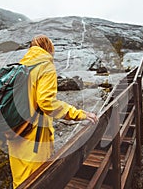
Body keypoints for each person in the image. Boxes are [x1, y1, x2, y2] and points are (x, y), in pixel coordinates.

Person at [7, 34, 98, 188]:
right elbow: (46, 102)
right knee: (38, 181)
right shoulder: (45, 65)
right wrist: (79, 114)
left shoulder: (19, 67)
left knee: (21, 181)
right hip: (34, 137)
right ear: (49, 48)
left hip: (14, 131)